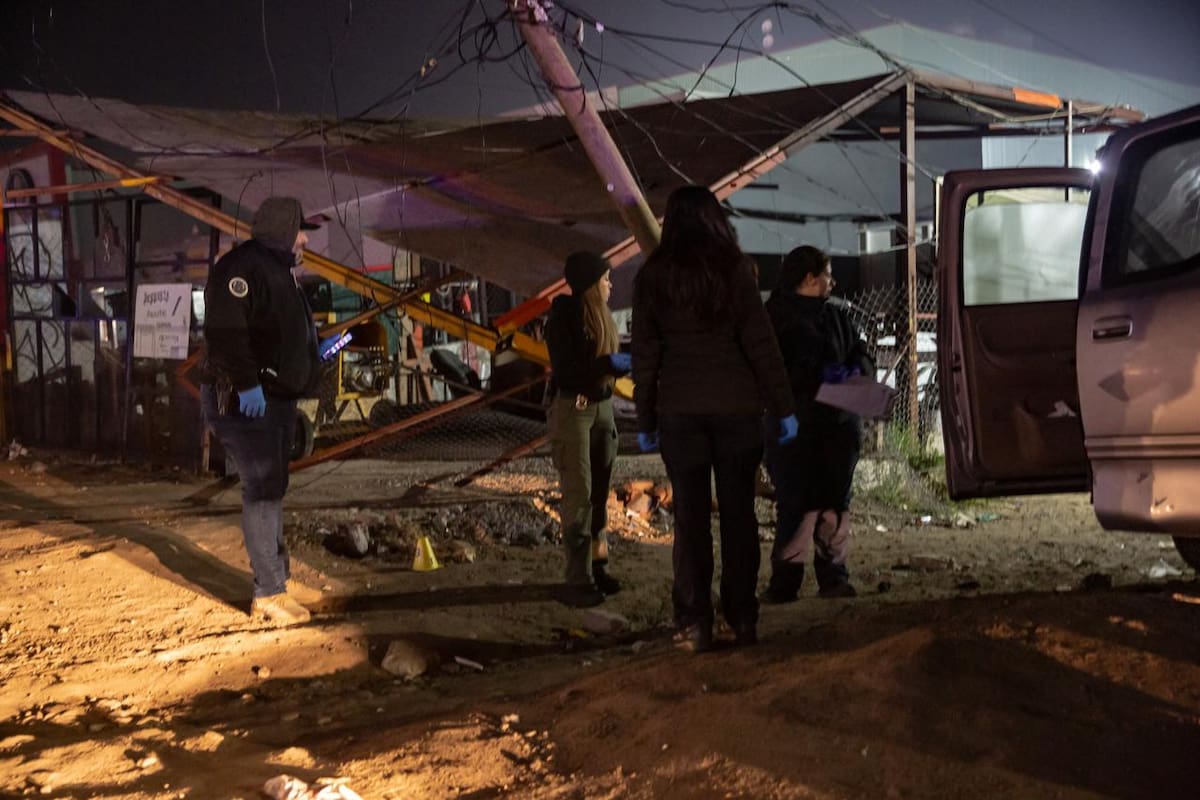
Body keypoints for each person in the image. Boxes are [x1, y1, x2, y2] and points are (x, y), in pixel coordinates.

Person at [631, 185, 798, 651]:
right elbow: (761, 346)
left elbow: (646, 356)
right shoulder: (736, 272)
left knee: (690, 520)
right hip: (737, 412)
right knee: (739, 517)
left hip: (680, 414)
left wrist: (645, 418)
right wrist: (783, 407)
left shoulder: (654, 278)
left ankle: (693, 623)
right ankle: (742, 618)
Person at [200, 196, 325, 626]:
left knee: (272, 487)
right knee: (262, 489)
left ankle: (278, 580)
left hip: (274, 399)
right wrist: (248, 384)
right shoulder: (242, 269)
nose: (305, 238)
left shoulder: (276, 270)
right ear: (281, 231)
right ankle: (268, 593)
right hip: (246, 400)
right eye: (300, 230)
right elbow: (227, 332)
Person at [762, 245, 873, 602]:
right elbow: (784, 371)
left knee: (834, 501)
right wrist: (830, 376)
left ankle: (833, 577)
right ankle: (786, 582)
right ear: (810, 279)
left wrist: (857, 374)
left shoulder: (835, 316)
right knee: (796, 502)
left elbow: (860, 353)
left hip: (837, 426)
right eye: (827, 274)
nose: (832, 281)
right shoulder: (775, 318)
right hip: (796, 426)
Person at [545, 251, 631, 608]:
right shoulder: (563, 319)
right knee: (579, 496)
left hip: (602, 409)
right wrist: (606, 364)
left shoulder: (602, 319)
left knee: (599, 496)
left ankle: (598, 566)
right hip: (576, 410)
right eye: (606, 279)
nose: (610, 285)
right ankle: (578, 579)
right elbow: (567, 372)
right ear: (592, 285)